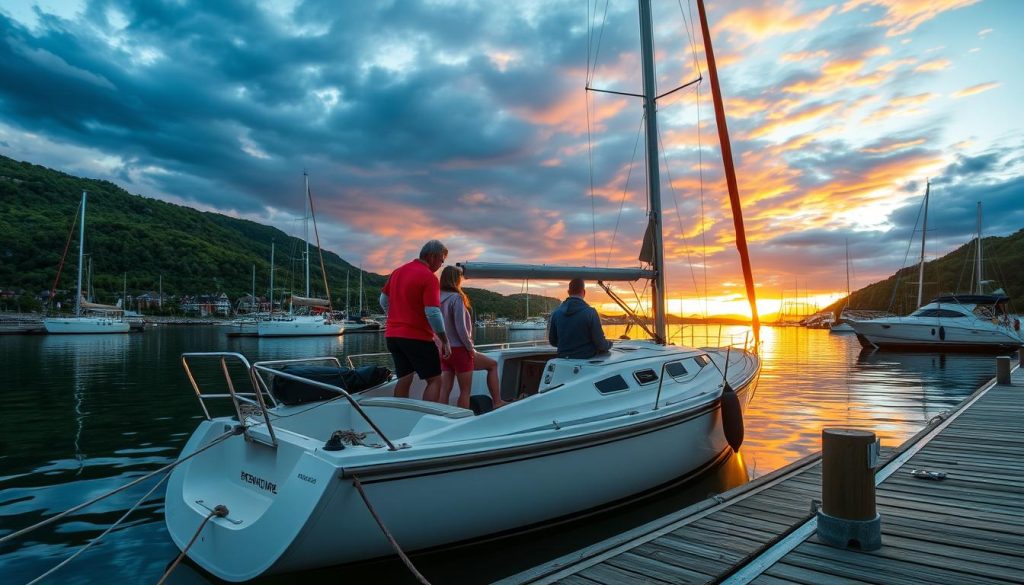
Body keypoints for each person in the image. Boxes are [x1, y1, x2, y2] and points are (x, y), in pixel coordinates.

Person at [380, 240, 451, 402]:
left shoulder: (398, 271)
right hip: (416, 337)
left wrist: (393, 317)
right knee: (434, 380)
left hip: (392, 336)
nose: (441, 265)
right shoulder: (429, 277)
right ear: (432, 257)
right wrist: (444, 340)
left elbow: (383, 300)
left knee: (404, 378)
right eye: (441, 260)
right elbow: (433, 312)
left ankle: (400, 415)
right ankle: (428, 419)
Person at [436, 266, 505, 411]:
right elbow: (461, 328)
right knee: (490, 367)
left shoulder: (436, 299)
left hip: (443, 351)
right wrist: (470, 348)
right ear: (456, 280)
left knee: (444, 390)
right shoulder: (456, 298)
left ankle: (440, 417)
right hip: (460, 350)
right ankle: (497, 402)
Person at [548, 278, 612, 359]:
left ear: (568, 292)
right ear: (584, 292)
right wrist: (610, 344)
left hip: (562, 359)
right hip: (585, 361)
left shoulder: (556, 313)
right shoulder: (590, 313)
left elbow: (553, 341)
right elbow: (600, 344)